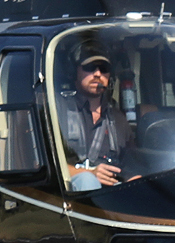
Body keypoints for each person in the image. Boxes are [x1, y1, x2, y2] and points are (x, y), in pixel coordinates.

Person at [56, 51, 133, 189]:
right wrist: (89, 173)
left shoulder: (119, 119)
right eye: (90, 67)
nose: (98, 74)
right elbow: (43, 164)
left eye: (104, 69)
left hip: (113, 194)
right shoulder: (57, 110)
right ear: (75, 73)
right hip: (70, 196)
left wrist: (134, 179)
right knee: (87, 180)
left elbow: (130, 164)